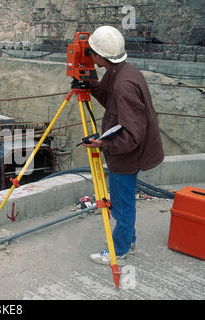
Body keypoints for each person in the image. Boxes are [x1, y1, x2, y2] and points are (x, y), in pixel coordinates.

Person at [82, 26, 164, 265]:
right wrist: (90, 85)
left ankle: (118, 252)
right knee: (123, 200)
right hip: (129, 153)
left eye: (92, 53)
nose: (90, 56)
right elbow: (110, 99)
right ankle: (129, 241)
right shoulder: (122, 71)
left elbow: (132, 135)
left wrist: (103, 144)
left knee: (122, 204)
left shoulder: (123, 84)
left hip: (128, 157)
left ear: (100, 56)